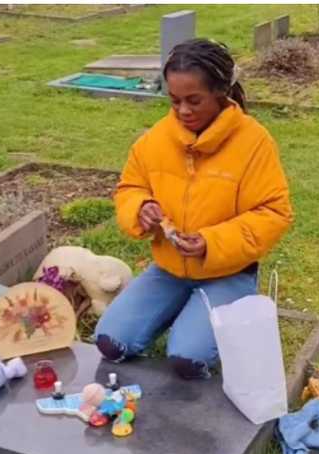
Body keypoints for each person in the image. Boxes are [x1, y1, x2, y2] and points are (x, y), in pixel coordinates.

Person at [95, 39, 293, 379]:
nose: (183, 110)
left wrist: (210, 243)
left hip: (228, 272)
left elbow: (274, 212)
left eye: (194, 100)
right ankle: (182, 310)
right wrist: (140, 207)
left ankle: (206, 314)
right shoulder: (155, 139)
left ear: (221, 92)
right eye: (175, 101)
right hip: (169, 270)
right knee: (110, 343)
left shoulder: (254, 143)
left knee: (188, 360)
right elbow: (130, 187)